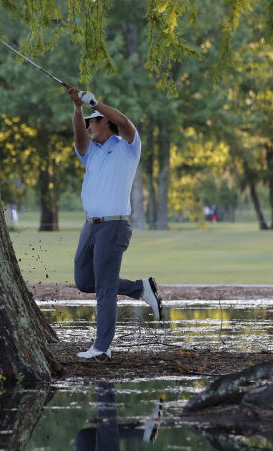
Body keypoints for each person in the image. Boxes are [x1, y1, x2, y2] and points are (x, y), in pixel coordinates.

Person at [68, 87, 163, 360]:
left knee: (106, 289)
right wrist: (78, 109)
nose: (87, 128)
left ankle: (101, 348)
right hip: (91, 227)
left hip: (113, 226)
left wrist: (96, 103)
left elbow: (125, 123)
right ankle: (140, 288)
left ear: (104, 122)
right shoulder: (91, 153)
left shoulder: (128, 147)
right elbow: (78, 137)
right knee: (85, 281)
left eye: (91, 121)